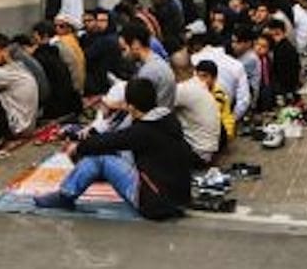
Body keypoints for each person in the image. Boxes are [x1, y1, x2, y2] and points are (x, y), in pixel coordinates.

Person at [33, 78, 191, 219]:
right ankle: (83, 180)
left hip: (153, 203)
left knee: (99, 159)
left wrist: (79, 147)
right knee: (109, 156)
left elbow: (107, 141)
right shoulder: (169, 119)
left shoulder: (142, 131)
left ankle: (65, 196)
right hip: (179, 199)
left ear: (131, 107)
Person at [170, 51, 220, 166]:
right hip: (208, 149)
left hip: (197, 153)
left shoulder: (182, 89)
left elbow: (159, 109)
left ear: (173, 71)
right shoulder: (198, 83)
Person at [0, 33, 39, 142]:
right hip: (28, 125)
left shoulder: (3, 73)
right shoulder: (20, 66)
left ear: (5, 52)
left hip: (17, 128)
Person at [29, 21, 82, 118]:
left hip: (57, 105)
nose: (33, 41)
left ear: (45, 36)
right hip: (70, 100)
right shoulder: (56, 50)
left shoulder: (44, 55)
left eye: (35, 38)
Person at [119, 21, 175, 109]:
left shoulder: (148, 72)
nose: (123, 55)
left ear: (136, 44)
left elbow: (139, 108)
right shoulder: (156, 62)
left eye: (124, 49)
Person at [195, 59, 236, 148]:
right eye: (198, 76)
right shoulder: (194, 90)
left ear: (214, 78)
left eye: (204, 76)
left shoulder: (218, 95)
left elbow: (224, 118)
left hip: (215, 136)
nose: (200, 80)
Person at [83, 7, 122, 96]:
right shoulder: (100, 37)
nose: (99, 24)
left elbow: (86, 56)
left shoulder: (106, 40)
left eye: (103, 21)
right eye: (97, 20)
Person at [52, 13, 87, 95]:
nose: (57, 28)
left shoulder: (61, 41)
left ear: (70, 28)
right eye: (55, 26)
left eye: (61, 26)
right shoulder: (73, 39)